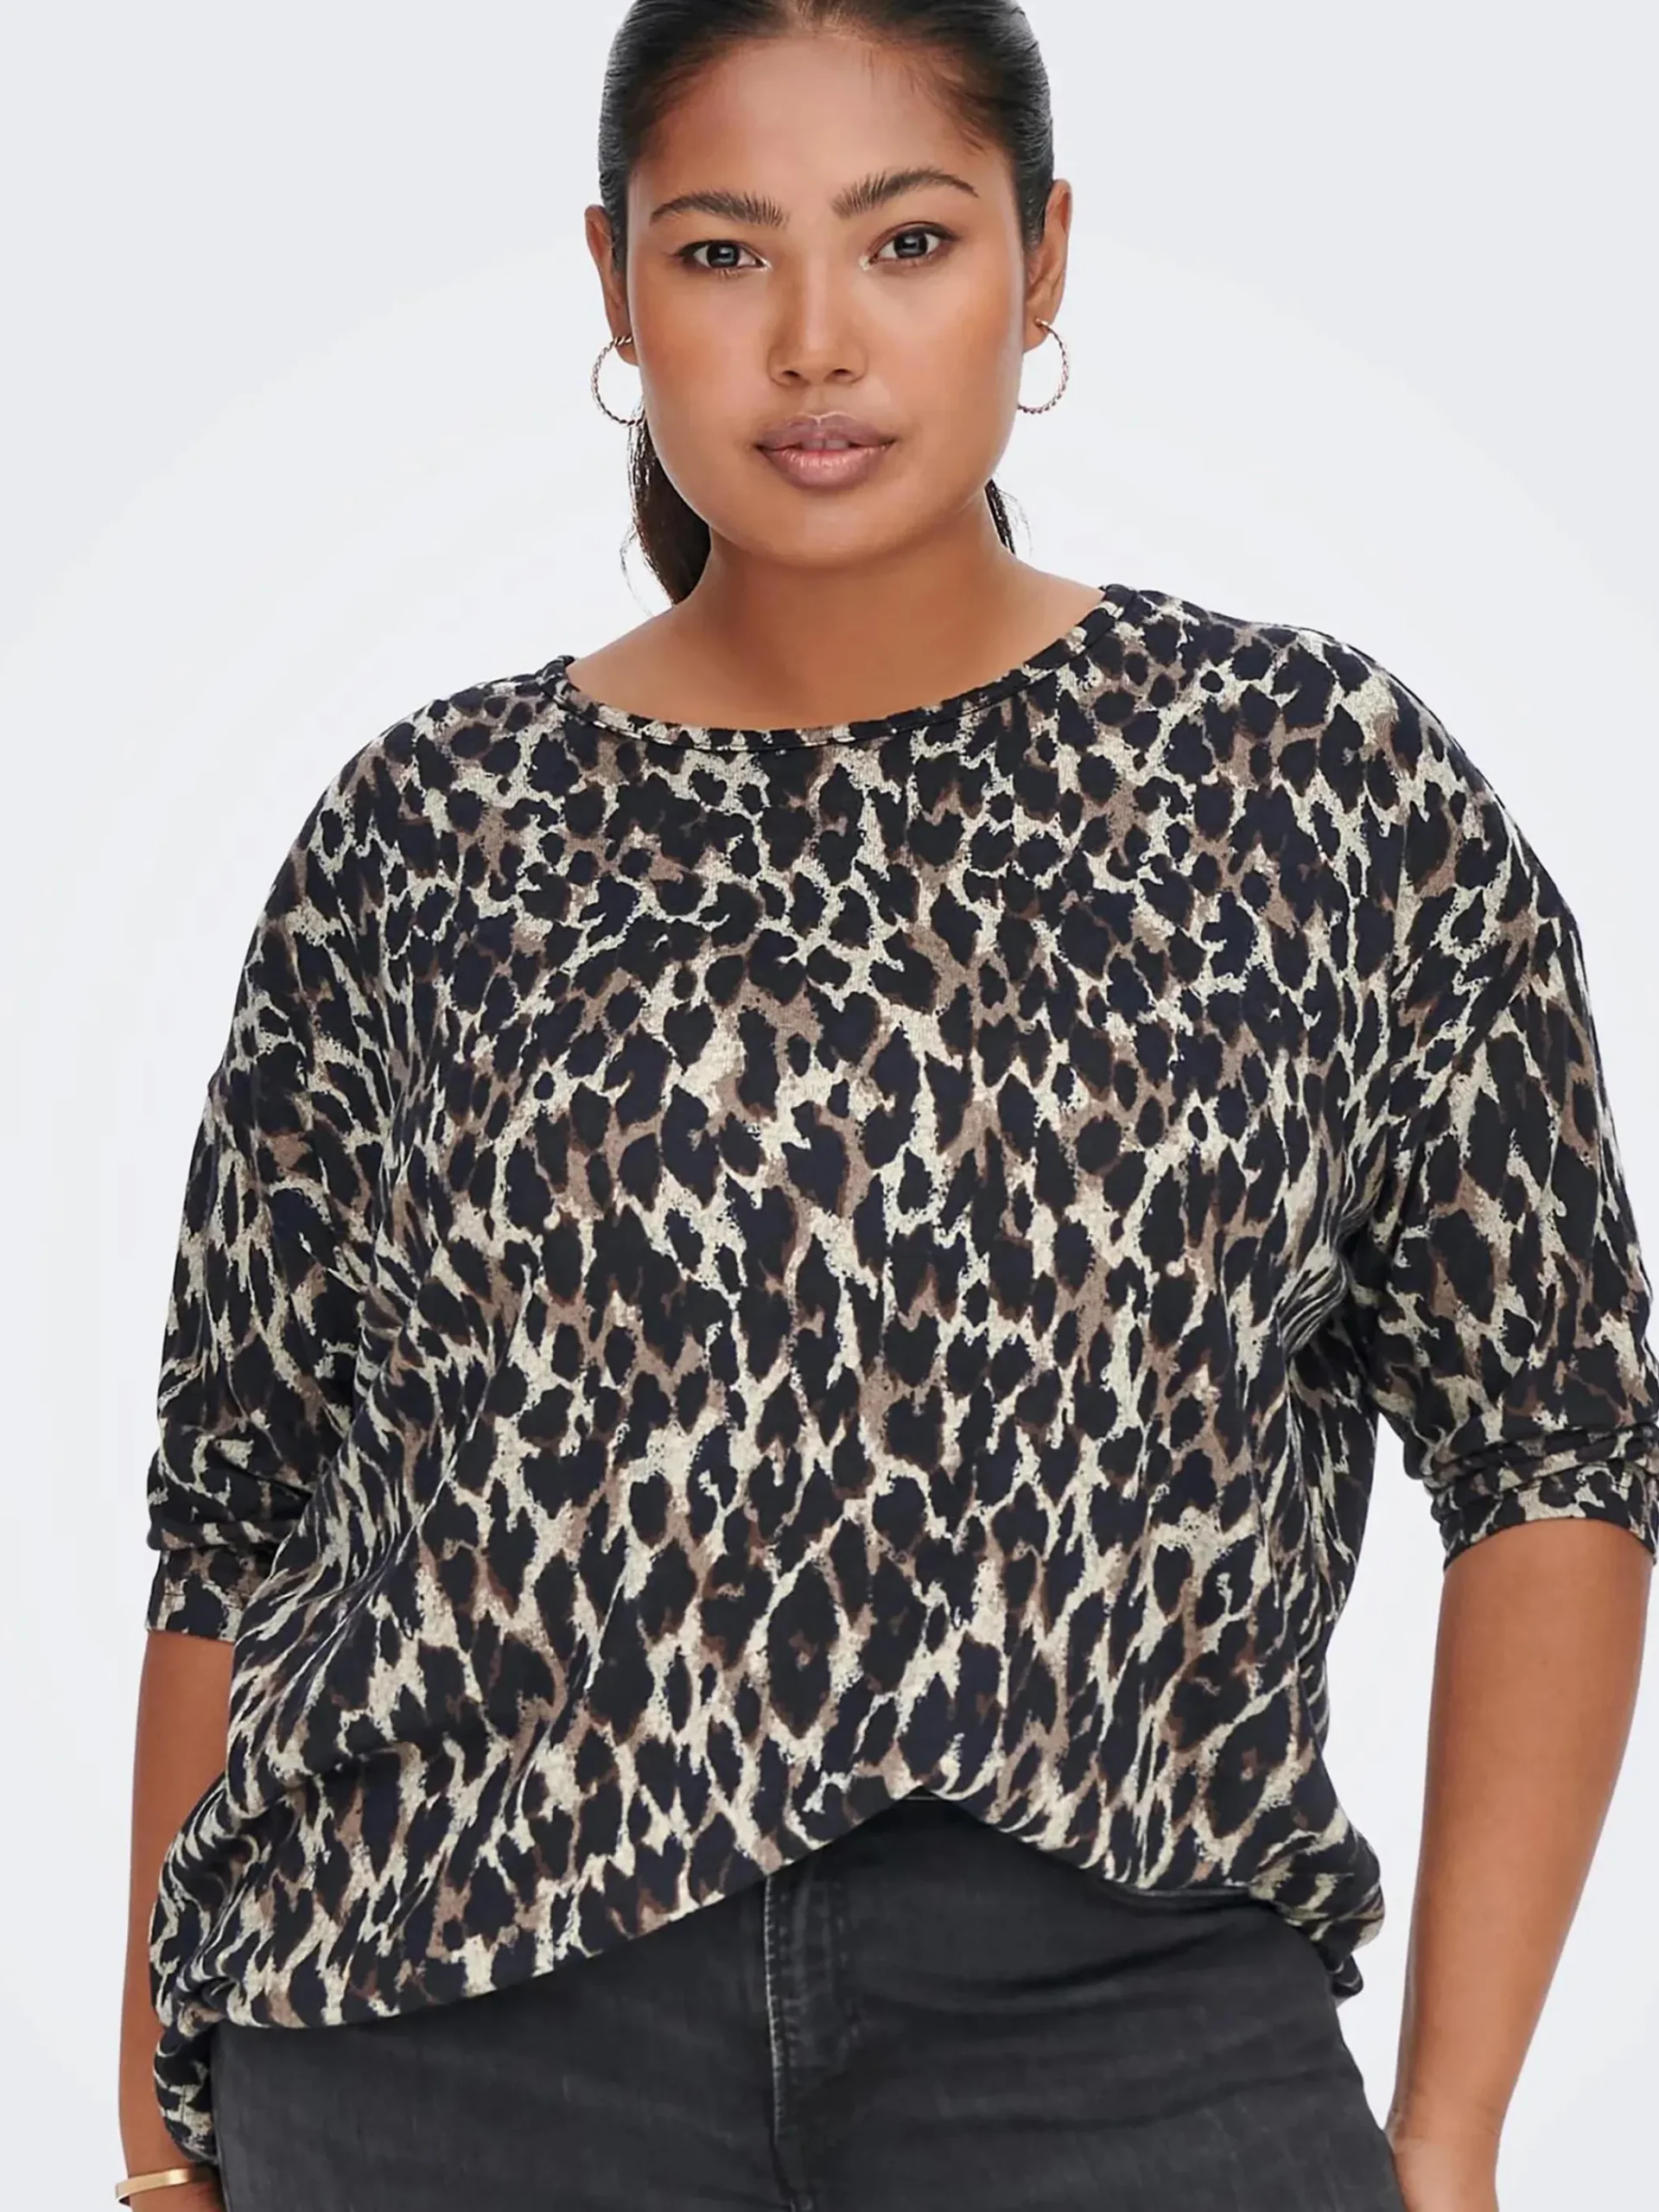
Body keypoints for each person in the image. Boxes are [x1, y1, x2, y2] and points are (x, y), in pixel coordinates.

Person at [116, 4, 1658, 2209]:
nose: (816, 342)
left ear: (1045, 259)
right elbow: (240, 1502)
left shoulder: (1313, 785)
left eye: (908, 241)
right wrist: (153, 2134)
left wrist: (1453, 2123)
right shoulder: (429, 833)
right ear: (614, 281)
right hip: (448, 2034)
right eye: (724, 253)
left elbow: (1557, 1447)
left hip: (1124, 2019)